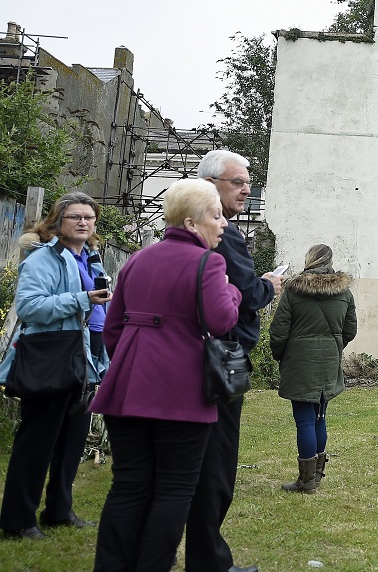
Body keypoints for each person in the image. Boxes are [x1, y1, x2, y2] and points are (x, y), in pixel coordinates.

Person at [90, 179, 242, 571]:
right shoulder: (210, 263)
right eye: (215, 215)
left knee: (128, 485)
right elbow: (222, 320)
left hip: (126, 388)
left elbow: (112, 331)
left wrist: (130, 366)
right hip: (182, 394)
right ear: (192, 223)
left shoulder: (138, 259)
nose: (222, 222)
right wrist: (233, 292)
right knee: (175, 488)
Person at [187, 150, 282, 572]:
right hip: (220, 358)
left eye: (248, 182)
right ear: (210, 185)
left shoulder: (185, 237)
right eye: (237, 182)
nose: (246, 189)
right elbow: (240, 296)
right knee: (215, 465)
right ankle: (208, 561)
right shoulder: (221, 238)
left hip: (205, 356)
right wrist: (268, 285)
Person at [0, 192, 111, 540]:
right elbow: (30, 307)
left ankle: (59, 510)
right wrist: (81, 299)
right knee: (38, 439)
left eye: (89, 217)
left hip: (86, 355)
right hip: (52, 354)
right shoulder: (43, 258)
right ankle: (17, 520)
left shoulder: (92, 258)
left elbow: (100, 310)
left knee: (73, 439)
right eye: (75, 217)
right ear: (57, 221)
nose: (82, 222)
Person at [269, 244, 357, 494]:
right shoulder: (345, 293)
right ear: (330, 261)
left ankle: (306, 481)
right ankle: (316, 475)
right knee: (320, 416)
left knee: (305, 420)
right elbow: (350, 330)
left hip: (299, 362)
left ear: (309, 259)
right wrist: (334, 346)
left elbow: (278, 331)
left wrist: (281, 356)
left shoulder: (294, 290)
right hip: (329, 361)